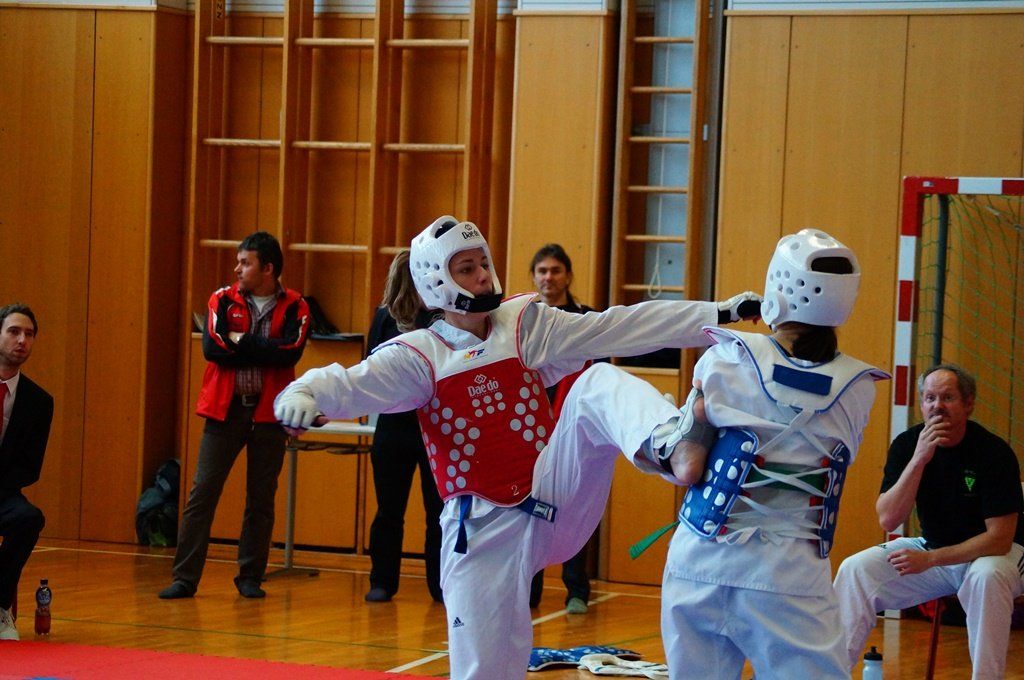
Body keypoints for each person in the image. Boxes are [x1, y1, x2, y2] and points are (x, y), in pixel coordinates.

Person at [274, 215, 761, 680]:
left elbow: (619, 326)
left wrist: (716, 314)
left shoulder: (524, 325)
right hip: (482, 533)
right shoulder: (419, 356)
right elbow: (351, 382)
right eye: (467, 268)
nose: (483, 276)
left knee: (595, 383)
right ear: (436, 283)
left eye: (483, 263)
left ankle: (670, 446)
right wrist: (303, 394)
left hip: (553, 498)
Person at [649, 229, 889, 679]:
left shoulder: (725, 359)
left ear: (776, 291)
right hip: (791, 579)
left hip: (700, 560)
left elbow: (689, 461)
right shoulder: (860, 389)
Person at [834, 364, 1024, 680]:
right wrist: (919, 459)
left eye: (947, 397)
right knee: (855, 570)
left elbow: (999, 539)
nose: (937, 406)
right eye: (930, 398)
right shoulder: (908, 444)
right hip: (933, 549)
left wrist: (931, 559)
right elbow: (889, 518)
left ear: (968, 404)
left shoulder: (993, 452)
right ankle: (831, 673)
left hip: (996, 555)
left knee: (986, 577)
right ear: (922, 404)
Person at [159, 232, 310, 600]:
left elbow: (289, 353)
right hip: (225, 411)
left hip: (270, 414)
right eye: (238, 262)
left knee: (261, 499)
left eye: (246, 263)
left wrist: (241, 341)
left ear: (268, 269)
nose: (237, 269)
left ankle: (250, 576)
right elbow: (213, 348)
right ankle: (184, 577)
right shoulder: (222, 300)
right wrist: (263, 348)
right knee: (202, 493)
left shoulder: (296, 306)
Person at [364, 252, 444, 604]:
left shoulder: (441, 317)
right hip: (394, 427)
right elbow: (371, 367)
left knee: (437, 512)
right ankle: (382, 580)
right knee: (389, 510)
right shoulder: (386, 317)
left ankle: (439, 584)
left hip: (434, 429)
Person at [527, 244, 597, 614]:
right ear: (533, 277)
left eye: (555, 270)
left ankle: (576, 590)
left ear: (568, 276)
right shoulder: (524, 321)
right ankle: (530, 590)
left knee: (574, 508)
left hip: (573, 426)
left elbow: (598, 376)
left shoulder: (586, 319)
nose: (548, 277)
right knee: (531, 510)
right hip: (532, 430)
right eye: (542, 271)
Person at [0, 304, 53, 641]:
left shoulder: (39, 401)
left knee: (29, 518)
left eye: (29, 334)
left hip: (3, 490)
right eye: (14, 331)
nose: (22, 340)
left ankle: (0, 605)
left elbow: (30, 467)